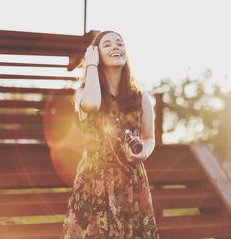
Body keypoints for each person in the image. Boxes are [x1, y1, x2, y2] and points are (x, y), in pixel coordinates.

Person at [62, 30, 159, 238]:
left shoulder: (141, 98)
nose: (115, 47)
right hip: (93, 181)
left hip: (131, 182)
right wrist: (90, 64)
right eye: (107, 44)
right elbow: (93, 104)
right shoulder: (83, 92)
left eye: (119, 43)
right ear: (96, 54)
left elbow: (149, 138)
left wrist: (143, 153)